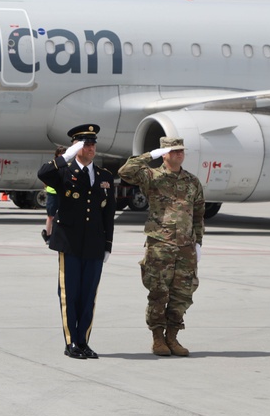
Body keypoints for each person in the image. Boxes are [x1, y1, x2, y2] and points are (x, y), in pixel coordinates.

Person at [117, 137, 204, 357]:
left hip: (186, 246)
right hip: (160, 244)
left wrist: (199, 242)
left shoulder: (192, 181)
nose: (179, 155)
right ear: (164, 154)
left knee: (183, 294)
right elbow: (125, 172)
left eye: (181, 151)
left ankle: (172, 337)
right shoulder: (152, 176)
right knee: (158, 293)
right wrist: (149, 156)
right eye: (173, 151)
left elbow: (198, 214)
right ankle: (158, 338)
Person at [37, 123, 116, 360]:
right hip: (69, 244)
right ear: (76, 146)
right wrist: (65, 158)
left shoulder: (104, 176)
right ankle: (71, 342)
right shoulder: (63, 172)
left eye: (93, 143)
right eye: (86, 144)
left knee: (88, 296)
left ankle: (84, 341)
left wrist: (108, 244)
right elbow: (43, 174)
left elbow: (108, 213)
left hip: (94, 243)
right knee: (69, 294)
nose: (91, 148)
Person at [42, 146, 66, 244]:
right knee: (51, 215)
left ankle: (61, 235)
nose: (63, 156)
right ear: (57, 155)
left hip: (62, 193)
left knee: (63, 215)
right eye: (61, 154)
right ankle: (47, 235)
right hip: (53, 192)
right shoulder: (53, 165)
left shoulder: (67, 165)